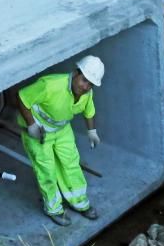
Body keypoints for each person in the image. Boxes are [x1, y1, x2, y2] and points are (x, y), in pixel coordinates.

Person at [17, 55, 104, 226]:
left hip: (62, 129)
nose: (86, 86)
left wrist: (92, 131)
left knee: (71, 164)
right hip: (39, 131)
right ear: (76, 73)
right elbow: (22, 98)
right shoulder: (49, 85)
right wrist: (31, 125)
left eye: (90, 84)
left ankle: (79, 203)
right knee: (47, 170)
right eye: (84, 80)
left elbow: (89, 110)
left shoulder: (87, 92)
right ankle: (53, 208)